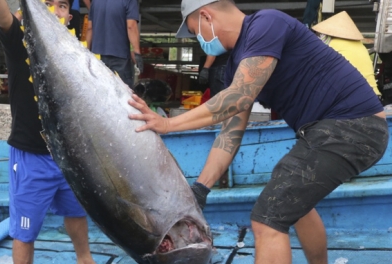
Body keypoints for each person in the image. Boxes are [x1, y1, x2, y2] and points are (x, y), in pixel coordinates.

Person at [128, 1, 388, 263]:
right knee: (294, 204)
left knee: (267, 219)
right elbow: (230, 134)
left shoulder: (266, 23)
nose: (200, 41)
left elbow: (239, 96)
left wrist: (169, 124)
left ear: (207, 16)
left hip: (352, 125)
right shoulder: (235, 67)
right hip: (328, 131)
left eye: (196, 32)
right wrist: (201, 189)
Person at [0, 1, 95, 264]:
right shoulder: (19, 40)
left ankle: (85, 259)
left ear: (69, 16)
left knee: (76, 212)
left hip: (69, 156)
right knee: (25, 230)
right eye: (45, 3)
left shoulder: (77, 54)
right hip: (30, 157)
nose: (54, 10)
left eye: (61, 5)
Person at [312, 11, 382, 98]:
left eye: (320, 35)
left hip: (356, 96)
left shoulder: (333, 45)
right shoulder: (360, 45)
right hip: (372, 95)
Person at [85, 0, 143, 88]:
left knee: (99, 93)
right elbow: (131, 26)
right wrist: (137, 53)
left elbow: (89, 28)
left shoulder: (95, 2)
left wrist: (85, 52)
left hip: (97, 58)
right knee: (122, 95)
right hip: (120, 58)